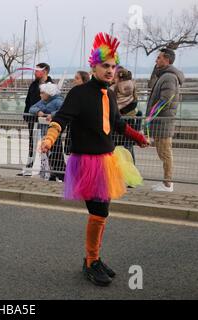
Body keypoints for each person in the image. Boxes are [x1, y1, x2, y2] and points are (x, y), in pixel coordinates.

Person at [41, 33, 149, 287]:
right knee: (98, 212)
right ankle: (91, 261)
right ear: (94, 66)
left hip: (108, 161)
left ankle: (95, 258)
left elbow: (118, 124)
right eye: (106, 66)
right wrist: (49, 139)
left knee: (103, 212)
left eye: (114, 66)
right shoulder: (79, 93)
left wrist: (138, 137)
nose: (111, 71)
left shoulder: (109, 95)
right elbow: (61, 118)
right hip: (87, 163)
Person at [146, 48, 185, 193]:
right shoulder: (165, 75)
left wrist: (150, 116)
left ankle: (168, 184)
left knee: (165, 153)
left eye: (159, 58)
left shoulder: (168, 77)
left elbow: (165, 100)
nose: (156, 60)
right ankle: (166, 182)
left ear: (166, 60)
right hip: (162, 122)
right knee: (163, 152)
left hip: (163, 123)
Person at [19, 63, 53, 176]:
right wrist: (27, 114)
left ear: (45, 72)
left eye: (37, 70)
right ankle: (29, 169)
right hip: (32, 119)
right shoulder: (33, 85)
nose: (35, 72)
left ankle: (47, 170)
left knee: (45, 144)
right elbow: (28, 101)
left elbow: (54, 103)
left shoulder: (51, 85)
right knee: (32, 144)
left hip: (45, 120)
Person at [29, 82, 65, 181]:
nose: (40, 95)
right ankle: (52, 173)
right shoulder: (42, 101)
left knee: (55, 153)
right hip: (45, 131)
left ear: (48, 93)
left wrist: (52, 115)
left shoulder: (58, 101)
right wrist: (37, 112)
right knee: (48, 153)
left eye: (42, 93)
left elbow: (64, 110)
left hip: (54, 131)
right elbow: (31, 108)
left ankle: (59, 173)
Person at [110, 67, 142, 163]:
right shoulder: (132, 87)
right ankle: (132, 166)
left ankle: (118, 169)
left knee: (116, 148)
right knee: (128, 146)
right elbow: (135, 102)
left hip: (119, 122)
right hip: (131, 120)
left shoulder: (114, 88)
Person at [64, 71, 91, 155]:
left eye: (77, 78)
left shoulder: (89, 93)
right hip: (73, 126)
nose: (74, 80)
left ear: (84, 80)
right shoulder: (73, 92)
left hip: (85, 128)